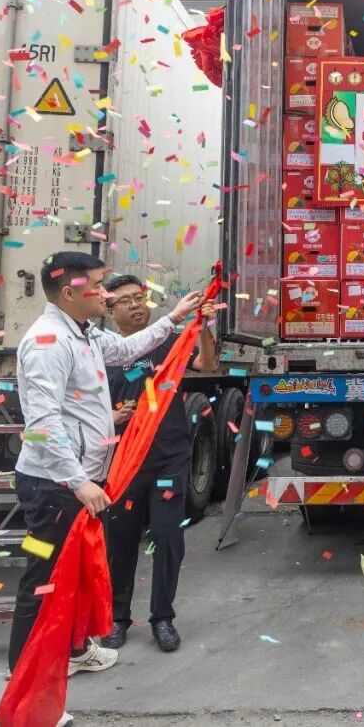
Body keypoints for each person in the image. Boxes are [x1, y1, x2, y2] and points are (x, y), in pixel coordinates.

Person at [10, 252, 203, 725]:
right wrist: (78, 482)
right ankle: (28, 696)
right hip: (54, 487)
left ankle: (76, 651)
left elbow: (124, 350)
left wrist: (174, 318)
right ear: (70, 292)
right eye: (98, 285)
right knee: (43, 583)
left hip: (79, 481)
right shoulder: (48, 342)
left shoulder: (85, 333)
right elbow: (42, 423)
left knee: (76, 576)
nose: (105, 293)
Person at [98, 274, 217, 653]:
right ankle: (117, 618)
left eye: (139, 297)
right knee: (120, 542)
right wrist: (112, 416)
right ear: (109, 310)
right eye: (125, 301)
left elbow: (208, 363)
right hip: (123, 463)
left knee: (168, 537)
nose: (135, 305)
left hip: (169, 458)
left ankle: (162, 617)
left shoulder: (168, 341)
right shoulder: (101, 350)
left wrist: (204, 326)